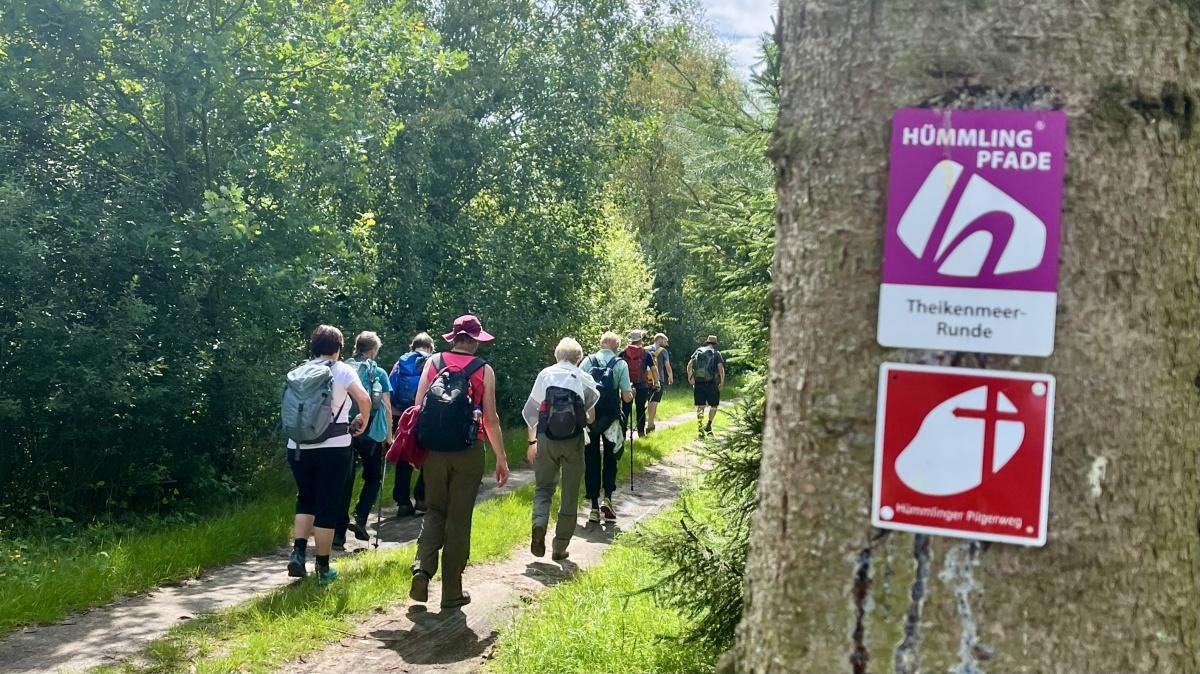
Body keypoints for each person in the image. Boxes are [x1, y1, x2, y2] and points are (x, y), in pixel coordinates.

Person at [409, 315, 509, 609]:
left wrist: (416, 449)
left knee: (435, 510)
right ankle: (451, 591)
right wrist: (501, 457)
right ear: (475, 340)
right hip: (468, 450)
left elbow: (418, 408)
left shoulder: (433, 363)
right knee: (458, 517)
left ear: (453, 338)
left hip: (434, 450)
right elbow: (490, 418)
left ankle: (422, 571)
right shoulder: (483, 370)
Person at [284, 325, 371, 585]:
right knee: (327, 505)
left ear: (312, 347)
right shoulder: (342, 370)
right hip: (334, 447)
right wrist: (362, 419)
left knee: (305, 499)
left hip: (297, 445)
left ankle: (298, 553)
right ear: (338, 348)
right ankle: (323, 569)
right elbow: (364, 398)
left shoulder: (298, 371)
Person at [522, 337, 599, 561]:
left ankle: (539, 525)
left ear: (556, 356)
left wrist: (532, 443)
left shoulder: (545, 375)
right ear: (579, 358)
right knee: (570, 492)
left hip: (546, 438)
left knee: (543, 488)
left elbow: (531, 414)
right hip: (573, 441)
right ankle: (559, 546)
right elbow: (591, 418)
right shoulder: (583, 377)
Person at [333, 331, 395, 549]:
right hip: (369, 432)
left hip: (344, 430)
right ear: (373, 350)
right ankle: (359, 517)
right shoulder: (378, 372)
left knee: (344, 482)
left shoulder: (343, 369)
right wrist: (389, 436)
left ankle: (337, 536)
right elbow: (386, 407)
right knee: (373, 477)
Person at [581, 332, 634, 523]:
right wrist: (633, 393)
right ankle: (608, 498)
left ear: (600, 344)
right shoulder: (620, 364)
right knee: (610, 458)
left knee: (591, 458)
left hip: (590, 417)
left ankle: (594, 507)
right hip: (610, 419)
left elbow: (579, 389)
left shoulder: (587, 361)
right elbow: (627, 397)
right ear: (616, 347)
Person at [389, 332, 434, 517]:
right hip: (426, 416)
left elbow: (389, 390)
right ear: (431, 347)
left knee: (403, 457)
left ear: (412, 346)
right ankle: (422, 498)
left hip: (403, 416)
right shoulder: (434, 362)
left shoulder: (400, 364)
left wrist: (397, 414)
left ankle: (402, 502)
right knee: (427, 456)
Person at [619, 330, 657, 437]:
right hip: (642, 385)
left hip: (626, 385)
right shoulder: (646, 353)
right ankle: (640, 433)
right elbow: (654, 369)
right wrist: (656, 382)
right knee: (640, 408)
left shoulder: (623, 353)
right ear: (640, 340)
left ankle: (622, 434)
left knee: (625, 409)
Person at [688, 335, 726, 437]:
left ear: (707, 342)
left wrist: (690, 377)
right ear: (715, 344)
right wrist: (722, 382)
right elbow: (721, 368)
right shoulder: (716, 353)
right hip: (711, 383)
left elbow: (689, 365)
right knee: (714, 406)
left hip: (699, 383)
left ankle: (700, 428)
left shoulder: (698, 351)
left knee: (701, 406)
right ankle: (709, 425)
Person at [644, 332, 674, 434]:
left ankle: (642, 426)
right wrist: (670, 376)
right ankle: (650, 425)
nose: (666, 343)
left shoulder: (645, 349)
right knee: (654, 402)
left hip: (644, 380)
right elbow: (667, 366)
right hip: (658, 380)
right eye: (665, 341)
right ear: (659, 339)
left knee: (645, 402)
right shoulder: (663, 351)